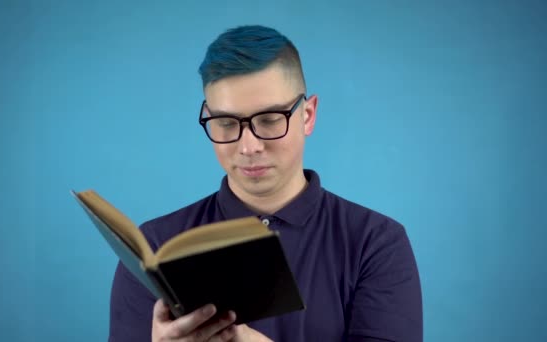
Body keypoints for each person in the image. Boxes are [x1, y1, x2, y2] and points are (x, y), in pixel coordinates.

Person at [108, 25, 423, 341]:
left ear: (308, 115)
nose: (248, 147)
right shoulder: (153, 248)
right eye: (226, 123)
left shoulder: (377, 243)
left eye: (270, 120)